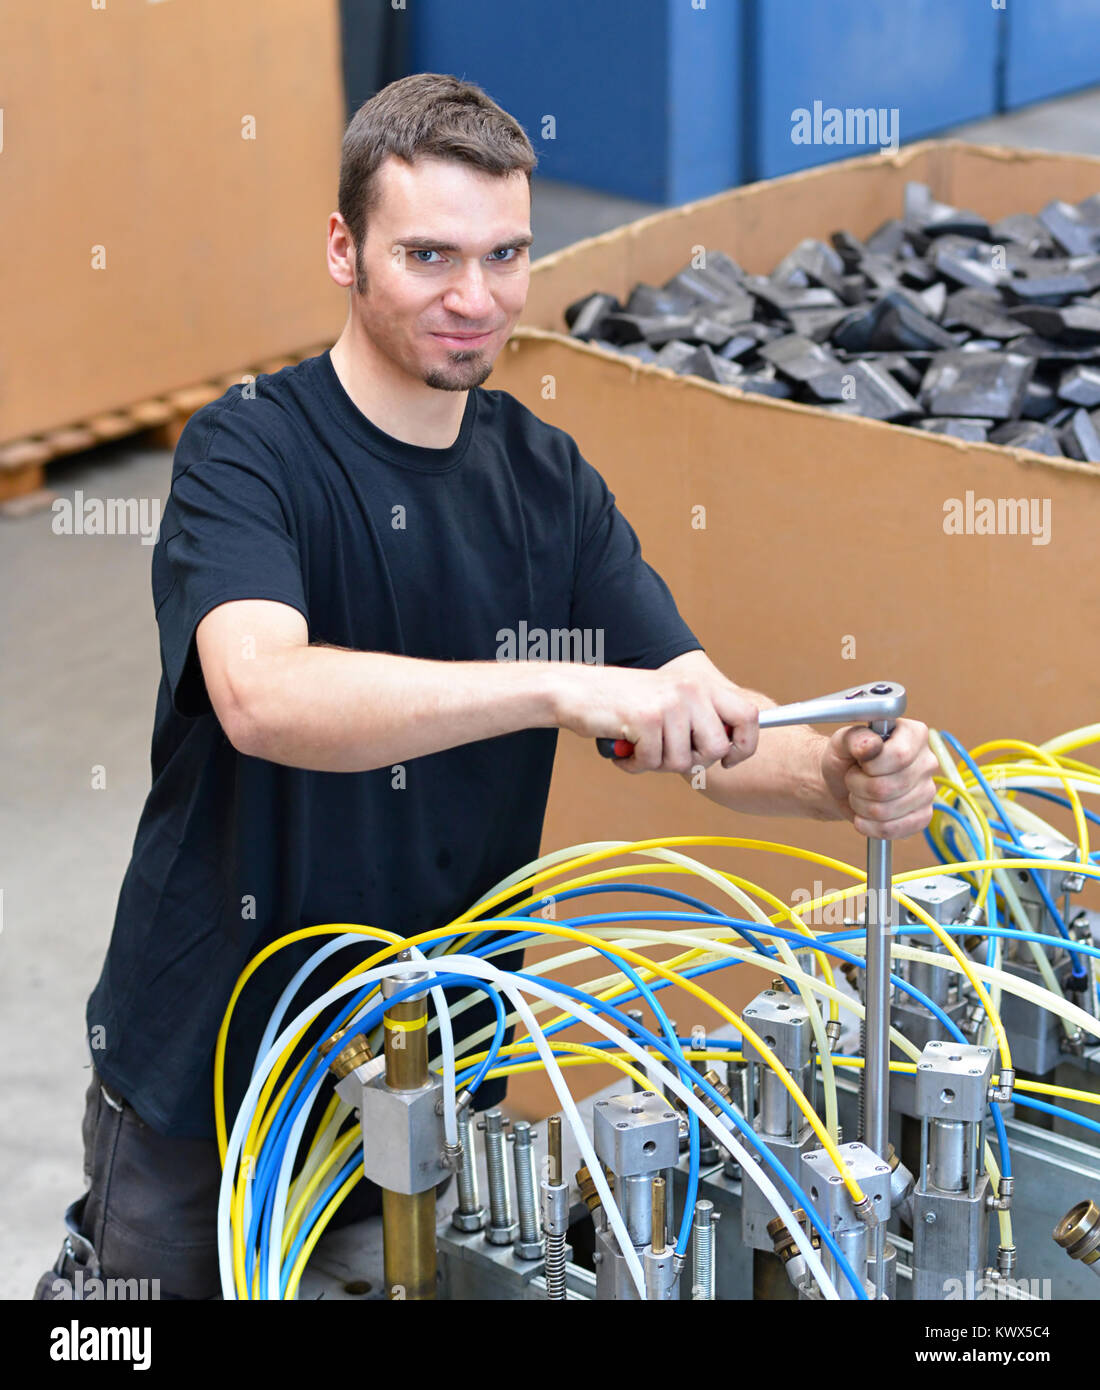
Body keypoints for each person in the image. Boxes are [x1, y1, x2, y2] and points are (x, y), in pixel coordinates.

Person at [35, 72, 937, 1301]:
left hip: (425, 1074)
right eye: (428, 256)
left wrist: (829, 771)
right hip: (215, 1070)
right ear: (343, 250)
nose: (476, 299)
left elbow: (698, 716)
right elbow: (263, 695)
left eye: (506, 254)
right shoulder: (247, 448)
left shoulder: (544, 480)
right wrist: (556, 690)